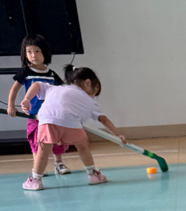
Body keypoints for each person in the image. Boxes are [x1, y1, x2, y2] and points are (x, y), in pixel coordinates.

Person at [19, 65, 125, 192]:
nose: (93, 96)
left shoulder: (55, 88)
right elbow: (104, 119)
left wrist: (27, 99)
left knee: (43, 152)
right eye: (95, 91)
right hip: (71, 123)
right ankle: (93, 175)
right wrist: (117, 135)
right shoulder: (89, 101)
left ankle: (36, 180)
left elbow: (36, 85)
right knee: (83, 147)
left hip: (48, 120)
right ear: (88, 83)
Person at [7, 34, 71, 175]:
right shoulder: (25, 73)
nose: (33, 55)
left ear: (45, 53)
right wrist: (11, 105)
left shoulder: (52, 75)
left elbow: (62, 92)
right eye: (29, 52)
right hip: (35, 116)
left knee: (56, 139)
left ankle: (59, 163)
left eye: (37, 51)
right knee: (36, 141)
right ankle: (38, 167)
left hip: (52, 116)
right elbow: (14, 89)